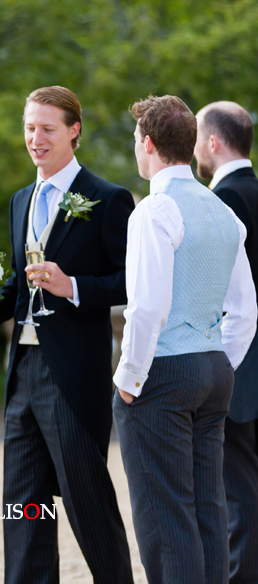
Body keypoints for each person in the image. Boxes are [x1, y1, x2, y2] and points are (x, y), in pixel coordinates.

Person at [0, 86, 135, 584]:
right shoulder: (21, 200)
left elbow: (130, 281)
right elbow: (18, 283)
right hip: (23, 373)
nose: (36, 138)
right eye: (30, 128)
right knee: (24, 506)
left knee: (87, 503)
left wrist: (71, 285)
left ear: (74, 131)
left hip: (72, 376)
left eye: (48, 129)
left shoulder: (108, 199)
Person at [115, 95, 257, 584]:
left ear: (148, 144)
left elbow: (146, 308)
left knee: (167, 518)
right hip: (214, 372)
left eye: (136, 139)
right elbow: (245, 310)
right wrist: (221, 362)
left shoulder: (153, 211)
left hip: (164, 377)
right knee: (209, 511)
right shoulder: (223, 211)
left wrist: (129, 380)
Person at [194, 100, 258, 584]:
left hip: (241, 365)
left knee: (238, 492)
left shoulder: (223, 202)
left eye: (197, 137)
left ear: (213, 142)